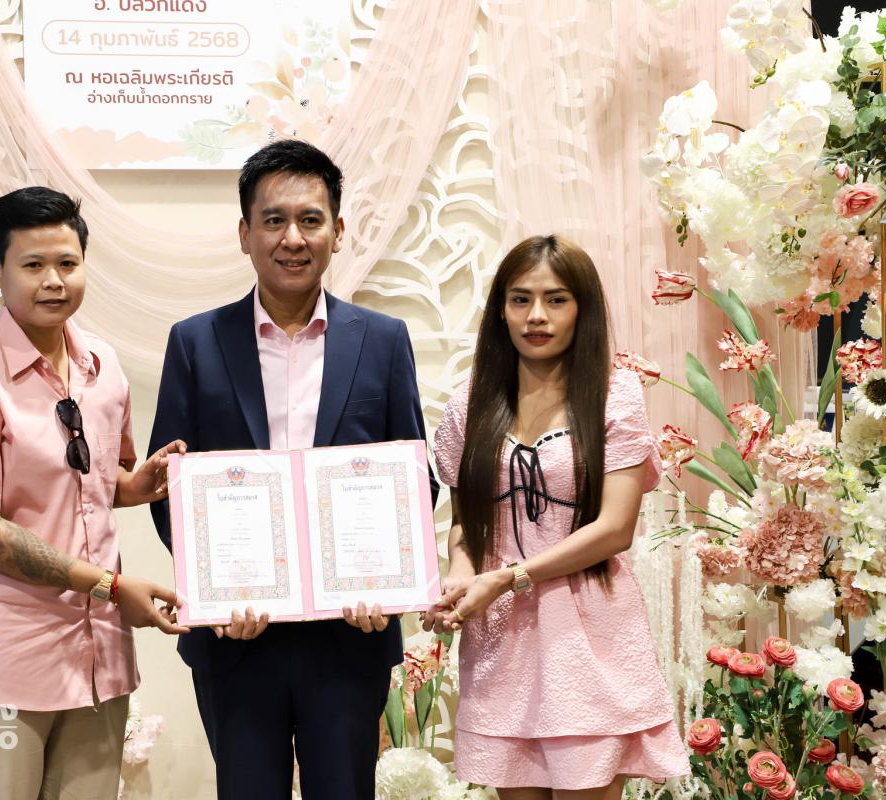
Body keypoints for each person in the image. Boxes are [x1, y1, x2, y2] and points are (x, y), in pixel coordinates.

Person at [148, 139, 434, 800]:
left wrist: (386, 585)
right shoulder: (195, 342)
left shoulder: (383, 339)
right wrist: (214, 590)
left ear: (339, 230)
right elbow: (169, 487)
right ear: (244, 233)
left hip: (350, 634)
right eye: (273, 220)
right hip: (236, 637)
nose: (292, 239)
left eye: (310, 220)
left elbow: (413, 478)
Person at [0, 186, 190, 799]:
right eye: (33, 265)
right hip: (1, 661)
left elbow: (90, 484)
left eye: (67, 263)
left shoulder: (103, 366)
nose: (53, 281)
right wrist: (110, 586)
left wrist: (138, 485)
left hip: (98, 658)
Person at [425, 235, 690, 797]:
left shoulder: (614, 395)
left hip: (589, 632)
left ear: (581, 309)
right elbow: (467, 522)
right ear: (501, 309)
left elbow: (615, 529)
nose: (536, 316)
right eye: (520, 299)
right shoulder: (471, 401)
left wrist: (508, 577)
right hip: (501, 638)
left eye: (556, 299)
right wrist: (460, 573)